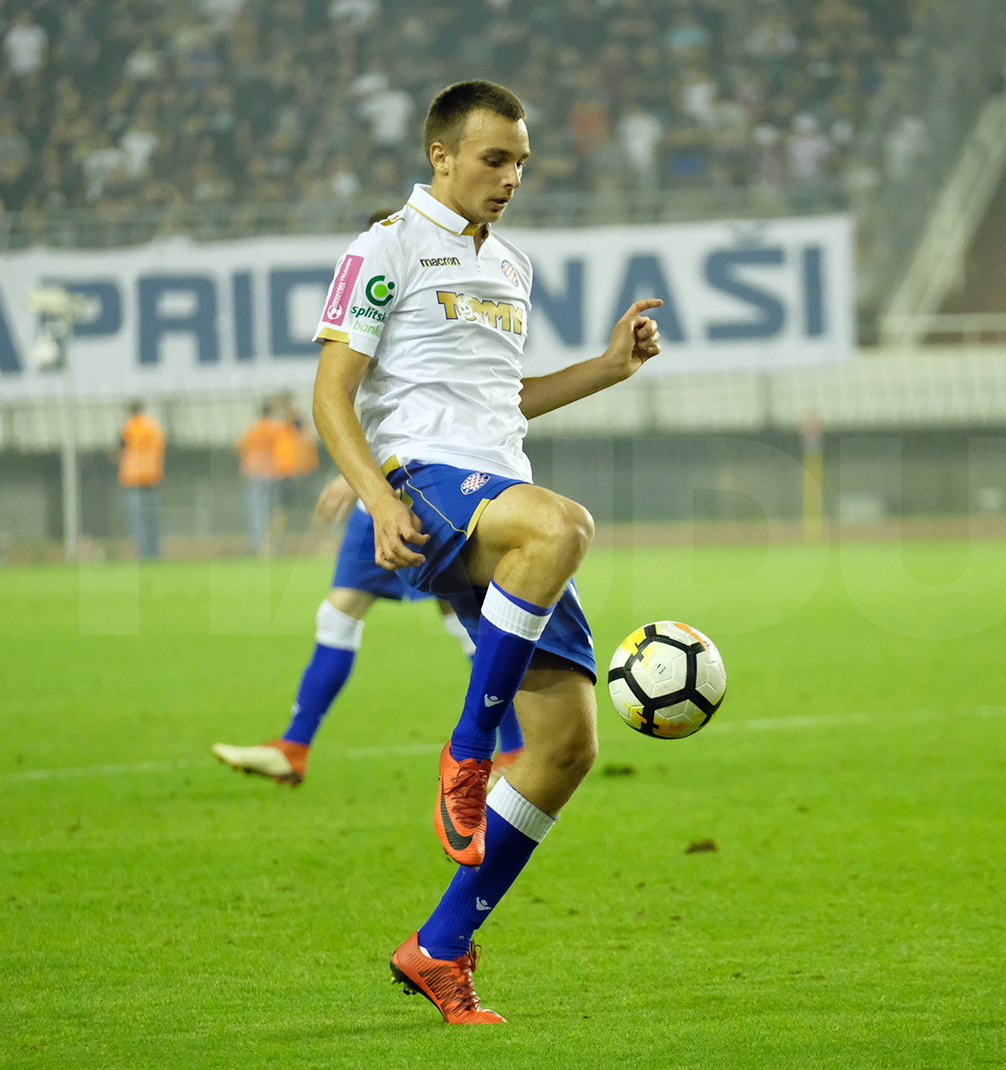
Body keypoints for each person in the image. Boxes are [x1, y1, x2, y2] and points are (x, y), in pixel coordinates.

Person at [310, 80, 661, 1024]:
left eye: (521, 164)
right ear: (441, 155)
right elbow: (331, 394)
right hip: (425, 481)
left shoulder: (510, 265)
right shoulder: (384, 244)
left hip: (493, 488)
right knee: (564, 525)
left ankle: (440, 946)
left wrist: (609, 367)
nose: (510, 178)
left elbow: (505, 403)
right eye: (494, 159)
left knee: (564, 749)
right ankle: (468, 751)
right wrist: (378, 497)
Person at [211, 472, 525, 785]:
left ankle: (515, 750)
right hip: (375, 505)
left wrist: (359, 472)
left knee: (463, 617)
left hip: (425, 495)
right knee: (338, 615)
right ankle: (293, 747)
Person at [267, 392, 320, 555]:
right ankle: (273, 545)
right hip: (291, 472)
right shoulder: (287, 423)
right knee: (285, 511)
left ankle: (318, 542)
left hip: (295, 472)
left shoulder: (293, 422)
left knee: (300, 510)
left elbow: (305, 441)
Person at [116, 400, 165, 560]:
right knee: (152, 520)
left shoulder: (128, 427)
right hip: (151, 478)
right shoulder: (152, 426)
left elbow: (121, 448)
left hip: (133, 479)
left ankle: (143, 554)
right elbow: (160, 448)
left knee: (138, 520)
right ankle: (154, 553)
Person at [236, 401, 284, 554]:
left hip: (255, 474)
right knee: (274, 511)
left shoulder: (254, 428)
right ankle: (274, 545)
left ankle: (259, 546)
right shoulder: (276, 428)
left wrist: (245, 466)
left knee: (257, 511)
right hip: (273, 474)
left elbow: (239, 446)